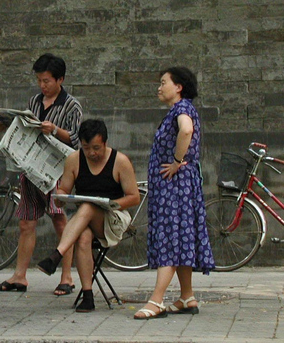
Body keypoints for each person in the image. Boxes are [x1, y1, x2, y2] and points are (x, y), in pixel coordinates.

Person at [0, 53, 83, 296]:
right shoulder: (35, 101)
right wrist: (6, 126)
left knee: (60, 221)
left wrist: (55, 130)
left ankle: (67, 276)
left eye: (47, 81)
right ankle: (20, 276)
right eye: (40, 81)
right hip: (31, 169)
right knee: (26, 223)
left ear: (60, 79)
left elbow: (77, 140)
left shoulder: (71, 105)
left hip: (56, 172)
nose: (43, 86)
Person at [134, 67, 215, 320]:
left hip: (175, 186)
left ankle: (156, 301)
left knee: (169, 238)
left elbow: (186, 130)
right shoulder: (182, 109)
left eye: (163, 82)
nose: (159, 87)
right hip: (179, 185)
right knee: (180, 238)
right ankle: (187, 297)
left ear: (178, 87)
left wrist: (177, 161)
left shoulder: (182, 110)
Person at [36, 119, 140, 312]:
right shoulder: (74, 160)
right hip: (84, 222)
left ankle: (57, 254)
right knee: (83, 236)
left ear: (105, 143)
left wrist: (110, 204)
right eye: (86, 148)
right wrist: (60, 198)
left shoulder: (120, 161)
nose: (92, 153)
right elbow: (64, 190)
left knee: (88, 207)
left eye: (96, 148)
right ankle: (88, 295)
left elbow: (134, 197)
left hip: (113, 218)